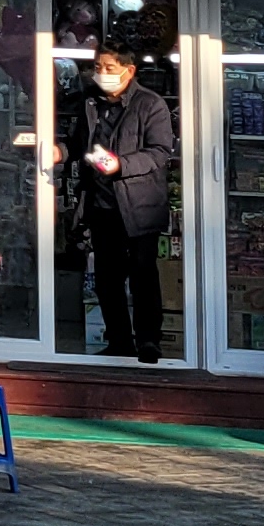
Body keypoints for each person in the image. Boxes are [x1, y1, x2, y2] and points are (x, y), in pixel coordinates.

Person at [60, 43, 179, 362]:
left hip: (139, 206)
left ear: (129, 71)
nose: (102, 74)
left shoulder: (150, 104)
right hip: (102, 205)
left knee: (143, 274)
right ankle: (120, 341)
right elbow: (78, 144)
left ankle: (149, 341)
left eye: (110, 68)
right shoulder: (90, 103)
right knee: (107, 279)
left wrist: (121, 165)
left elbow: (159, 152)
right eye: (99, 67)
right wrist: (61, 151)